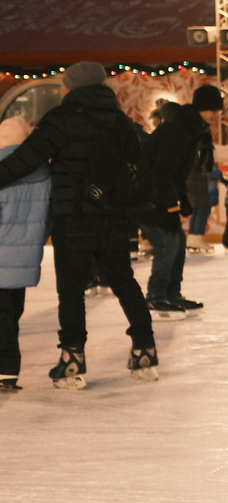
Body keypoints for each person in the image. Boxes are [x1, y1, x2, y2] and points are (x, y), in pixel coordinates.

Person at [0, 61, 158, 388]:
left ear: (70, 87)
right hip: (115, 215)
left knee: (71, 288)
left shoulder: (60, 119)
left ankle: (73, 357)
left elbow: (25, 161)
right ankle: (145, 347)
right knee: (124, 280)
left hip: (73, 216)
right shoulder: (121, 121)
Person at [141, 88, 217, 314]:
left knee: (178, 243)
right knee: (168, 244)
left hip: (161, 193)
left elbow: (177, 173)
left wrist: (182, 199)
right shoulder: (178, 131)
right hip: (149, 196)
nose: (215, 114)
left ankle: (172, 294)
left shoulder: (191, 130)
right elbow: (161, 171)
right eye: (211, 109)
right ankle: (155, 296)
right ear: (200, 109)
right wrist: (171, 202)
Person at [0, 116, 51, 392]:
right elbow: (47, 219)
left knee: (3, 317)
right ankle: (7, 369)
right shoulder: (42, 172)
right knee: (11, 313)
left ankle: (5, 369)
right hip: (24, 256)